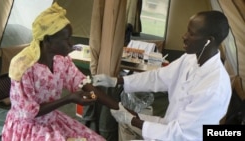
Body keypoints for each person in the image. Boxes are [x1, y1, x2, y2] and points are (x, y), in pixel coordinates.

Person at [92, 10, 232, 141]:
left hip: (181, 136)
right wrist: (116, 81)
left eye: (191, 33)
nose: (184, 36)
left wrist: (133, 119)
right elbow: (158, 77)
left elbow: (180, 133)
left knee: (129, 121)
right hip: (169, 124)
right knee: (124, 123)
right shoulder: (190, 59)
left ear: (209, 40)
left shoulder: (214, 87)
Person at [1, 3, 119, 141]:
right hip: (28, 128)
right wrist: (69, 99)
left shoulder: (60, 60)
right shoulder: (23, 67)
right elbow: (28, 113)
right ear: (47, 40)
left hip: (50, 120)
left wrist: (120, 109)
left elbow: (84, 85)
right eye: (66, 39)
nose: (71, 43)